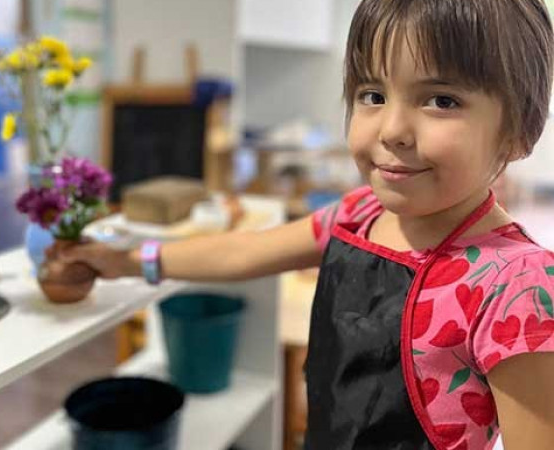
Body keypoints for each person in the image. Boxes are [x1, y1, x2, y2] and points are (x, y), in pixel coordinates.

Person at [49, 0, 554, 448]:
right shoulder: (358, 215)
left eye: (441, 100)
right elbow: (245, 251)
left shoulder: (516, 285)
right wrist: (128, 261)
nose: (393, 130)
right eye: (372, 94)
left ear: (519, 131)